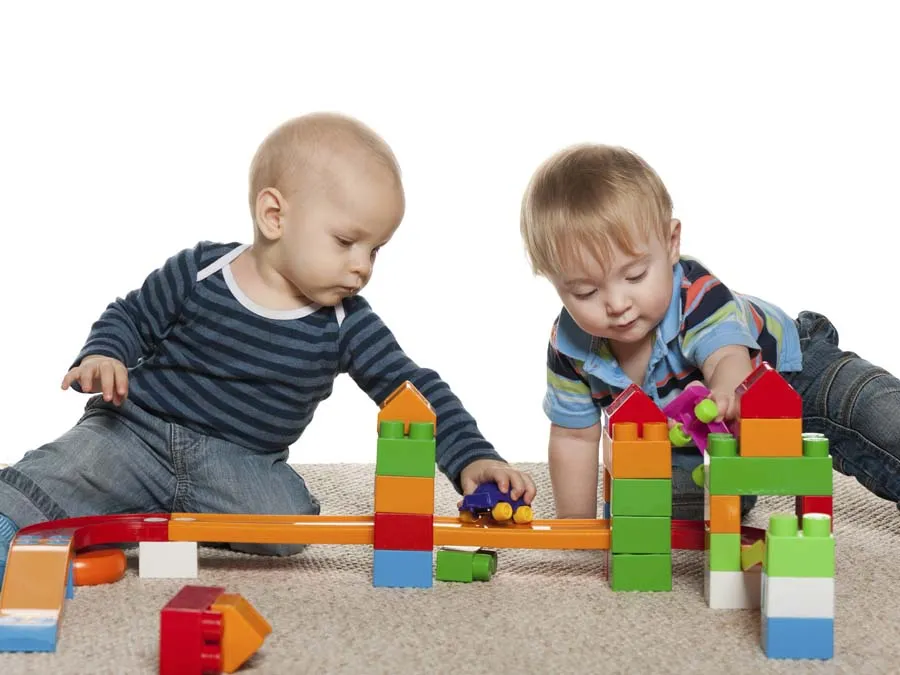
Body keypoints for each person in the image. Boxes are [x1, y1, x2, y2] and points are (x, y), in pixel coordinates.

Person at [0, 112, 535, 587]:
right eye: (345, 242)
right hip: (137, 431)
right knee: (68, 467)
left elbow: (410, 387)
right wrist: (104, 356)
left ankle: (142, 516)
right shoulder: (200, 270)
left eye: (376, 250)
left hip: (237, 461)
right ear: (274, 216)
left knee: (288, 524)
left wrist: (473, 456)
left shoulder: (347, 322)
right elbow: (130, 316)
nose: (362, 266)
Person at [519, 142, 900, 521]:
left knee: (878, 412)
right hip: (698, 435)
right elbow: (574, 436)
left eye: (635, 275)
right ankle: (732, 486)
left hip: (790, 374)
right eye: (585, 292)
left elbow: (727, 357)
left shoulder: (697, 295)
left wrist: (728, 393)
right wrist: (575, 529)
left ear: (671, 244)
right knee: (653, 507)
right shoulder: (570, 347)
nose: (617, 304)